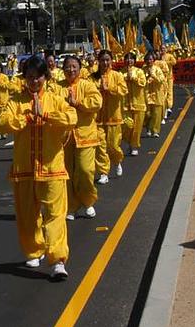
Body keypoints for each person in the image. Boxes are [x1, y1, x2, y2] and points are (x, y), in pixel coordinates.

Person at [0, 55, 78, 280]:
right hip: (24, 168)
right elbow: (2, 122)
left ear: (46, 77)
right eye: (30, 77)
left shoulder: (55, 99)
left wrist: (48, 116)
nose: (34, 82)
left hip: (52, 167)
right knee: (27, 215)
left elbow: (72, 118)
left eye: (38, 77)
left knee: (55, 215)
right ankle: (34, 250)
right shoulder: (16, 101)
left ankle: (58, 260)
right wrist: (25, 118)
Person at [57, 56, 103, 220]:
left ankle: (88, 201)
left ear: (79, 68)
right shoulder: (57, 88)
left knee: (85, 171)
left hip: (85, 135)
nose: (71, 70)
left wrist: (78, 103)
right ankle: (71, 206)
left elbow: (97, 102)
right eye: (68, 67)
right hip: (65, 137)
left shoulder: (87, 85)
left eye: (74, 66)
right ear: (63, 69)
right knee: (67, 173)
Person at [94, 50, 128, 179]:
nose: (105, 63)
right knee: (100, 146)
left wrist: (110, 89)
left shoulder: (117, 75)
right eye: (102, 60)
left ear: (111, 61)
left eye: (107, 60)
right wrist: (98, 89)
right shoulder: (93, 77)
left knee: (113, 145)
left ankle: (117, 161)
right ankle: (103, 172)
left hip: (114, 116)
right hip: (97, 118)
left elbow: (123, 90)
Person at [122, 52, 147, 156]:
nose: (129, 61)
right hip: (125, 104)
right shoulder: (120, 72)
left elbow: (143, 83)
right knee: (127, 126)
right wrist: (126, 78)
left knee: (137, 127)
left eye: (131, 59)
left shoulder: (139, 71)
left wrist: (134, 78)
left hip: (138, 104)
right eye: (127, 59)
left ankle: (134, 146)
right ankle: (129, 142)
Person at [143, 52, 166, 137]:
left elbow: (161, 80)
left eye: (151, 59)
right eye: (148, 59)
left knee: (157, 114)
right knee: (148, 113)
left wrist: (153, 76)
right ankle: (148, 128)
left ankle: (155, 131)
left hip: (156, 94)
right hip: (147, 94)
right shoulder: (143, 69)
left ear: (153, 60)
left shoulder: (157, 69)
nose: (149, 61)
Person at [161, 45, 177, 120]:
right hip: (162, 78)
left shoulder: (169, 56)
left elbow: (174, 62)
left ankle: (169, 106)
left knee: (169, 92)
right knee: (163, 92)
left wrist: (166, 62)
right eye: (161, 48)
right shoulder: (159, 56)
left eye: (164, 48)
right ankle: (164, 107)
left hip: (169, 77)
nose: (162, 50)